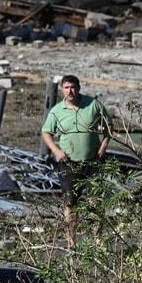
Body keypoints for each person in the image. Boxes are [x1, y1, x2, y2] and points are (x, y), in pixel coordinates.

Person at [41, 75, 111, 248]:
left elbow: (109, 127)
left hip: (93, 162)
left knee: (96, 201)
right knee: (70, 203)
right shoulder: (57, 111)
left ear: (78, 88)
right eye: (65, 88)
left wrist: (103, 147)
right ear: (62, 90)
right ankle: (71, 242)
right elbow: (46, 132)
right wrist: (56, 151)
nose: (69, 91)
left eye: (72, 87)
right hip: (69, 163)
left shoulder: (93, 105)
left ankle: (98, 241)